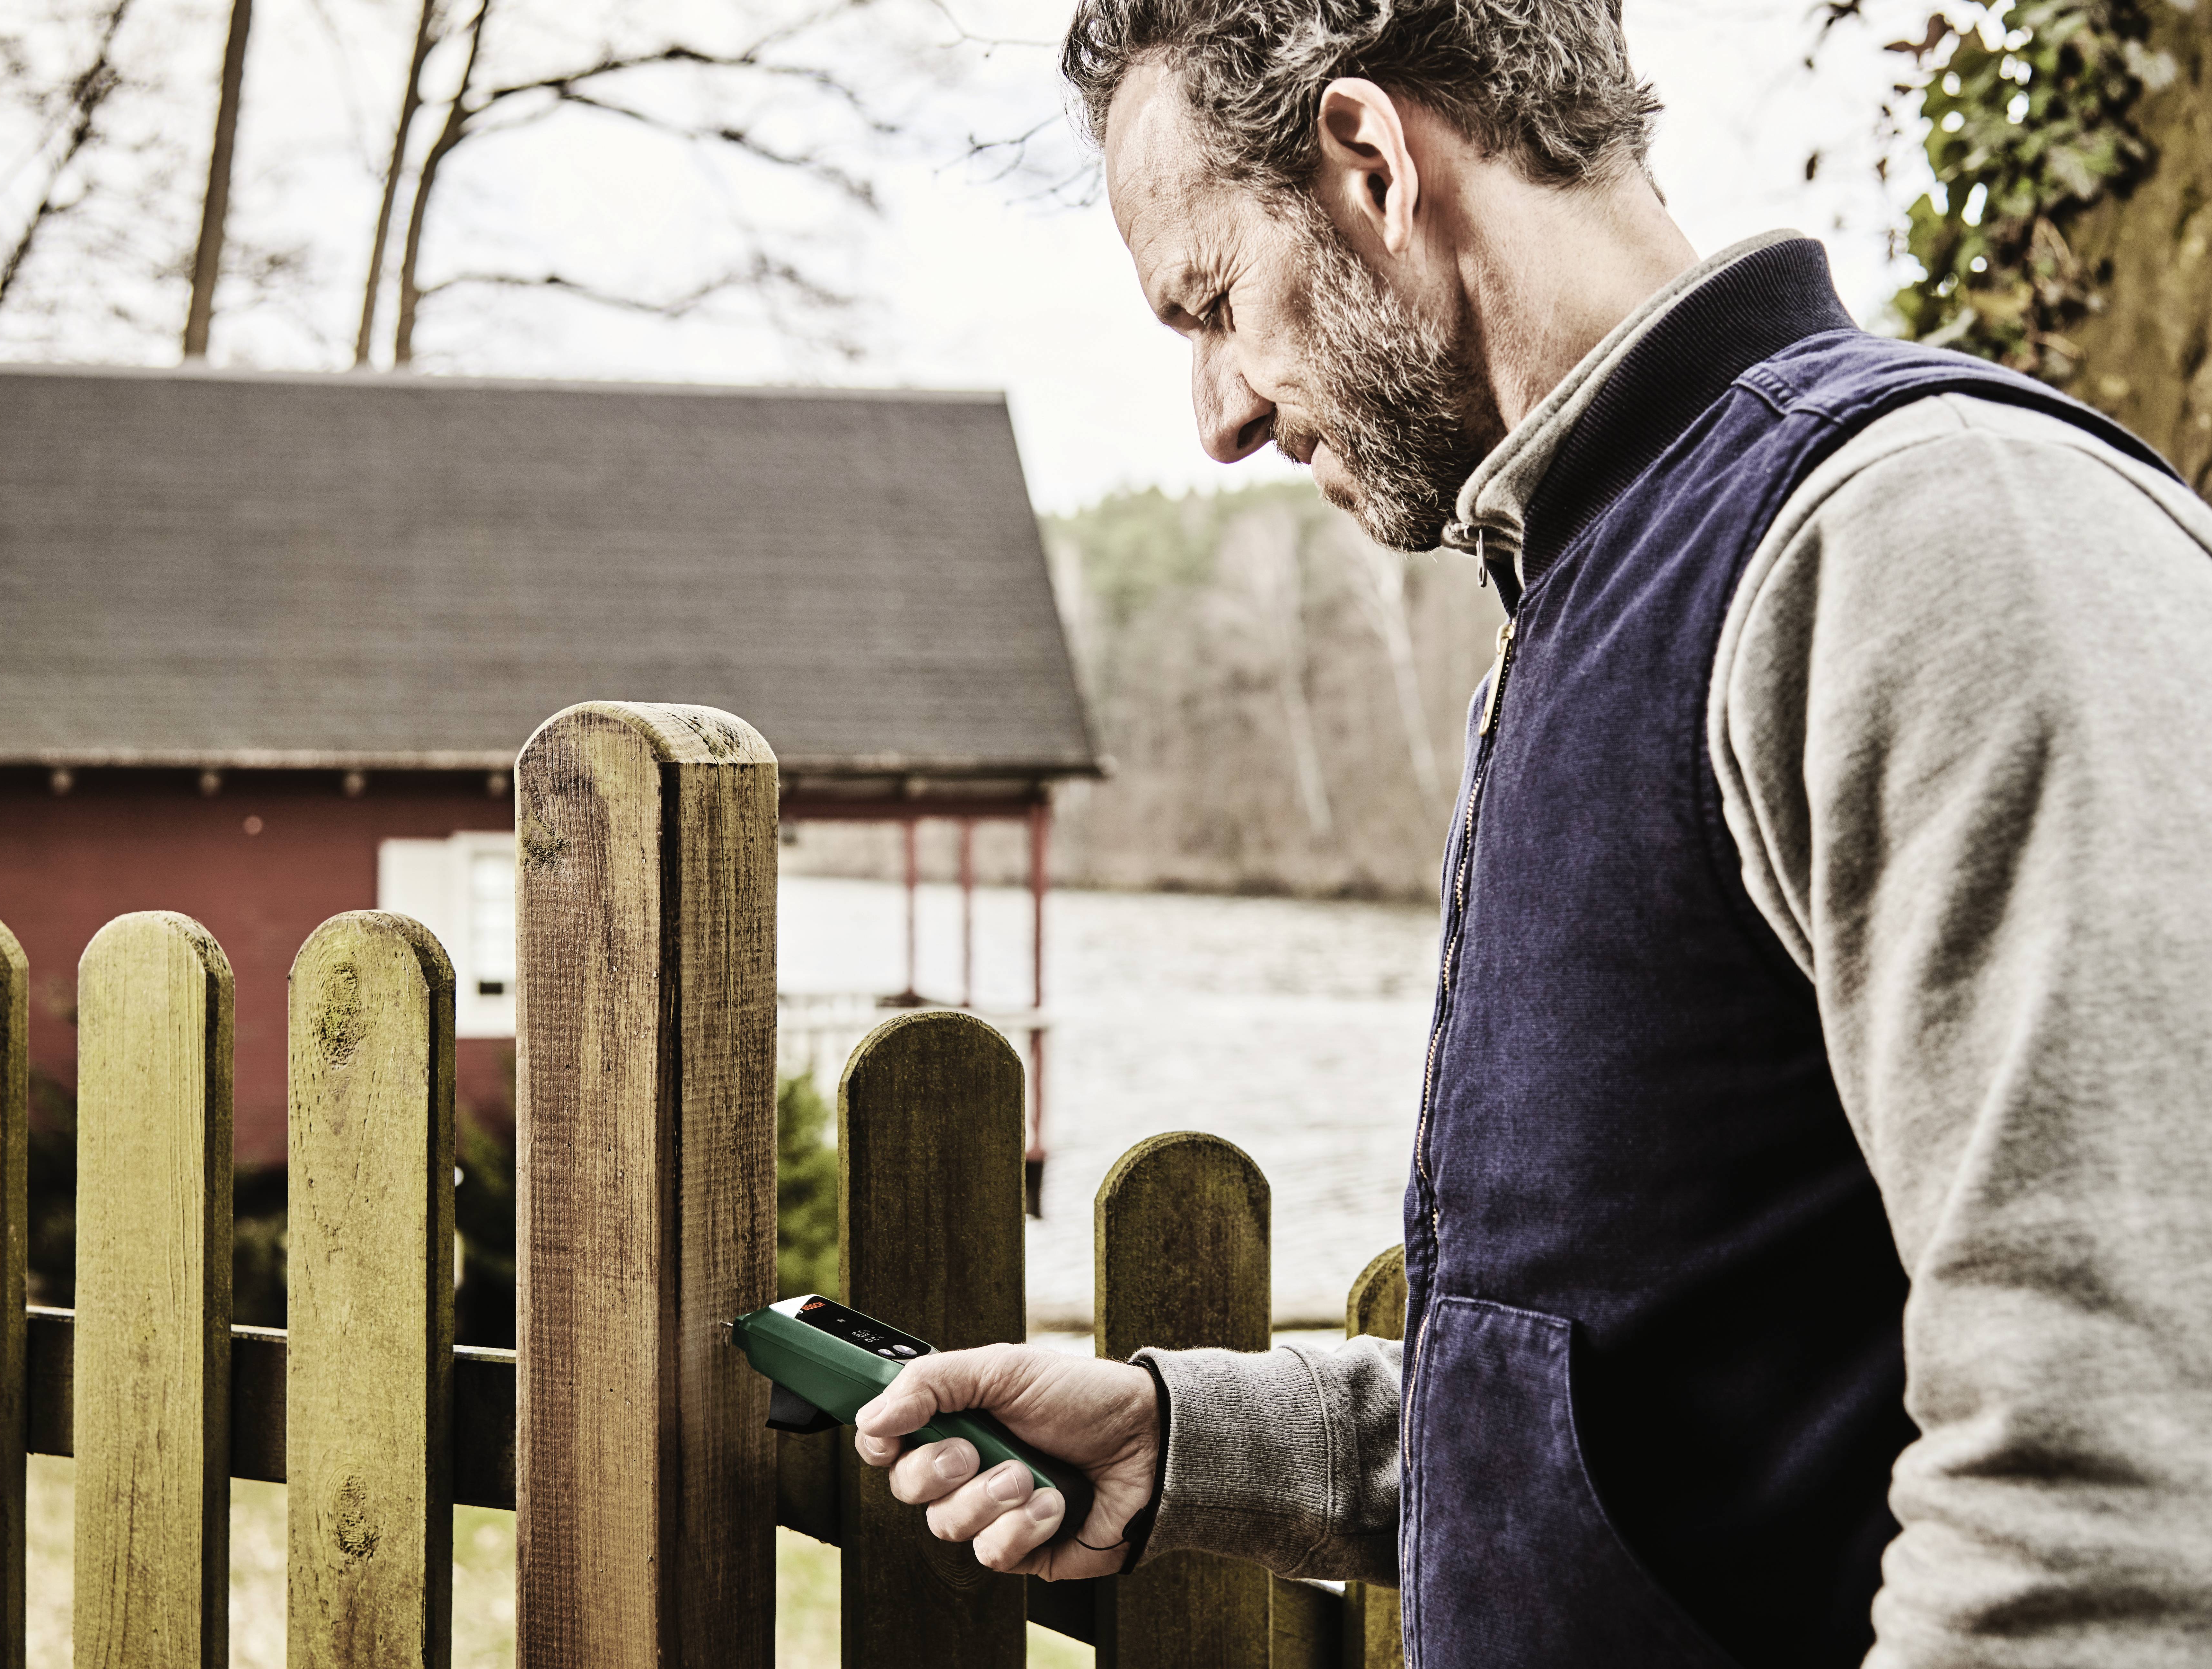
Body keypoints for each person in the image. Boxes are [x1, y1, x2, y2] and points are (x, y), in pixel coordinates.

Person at [849, 3, 2212, 1665]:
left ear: (1366, 162)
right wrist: (1204, 1442)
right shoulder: (1594, 582)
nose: (1213, 414)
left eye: (1212, 305)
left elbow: (2123, 1472)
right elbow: (1675, 1386)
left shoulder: (1933, 540)